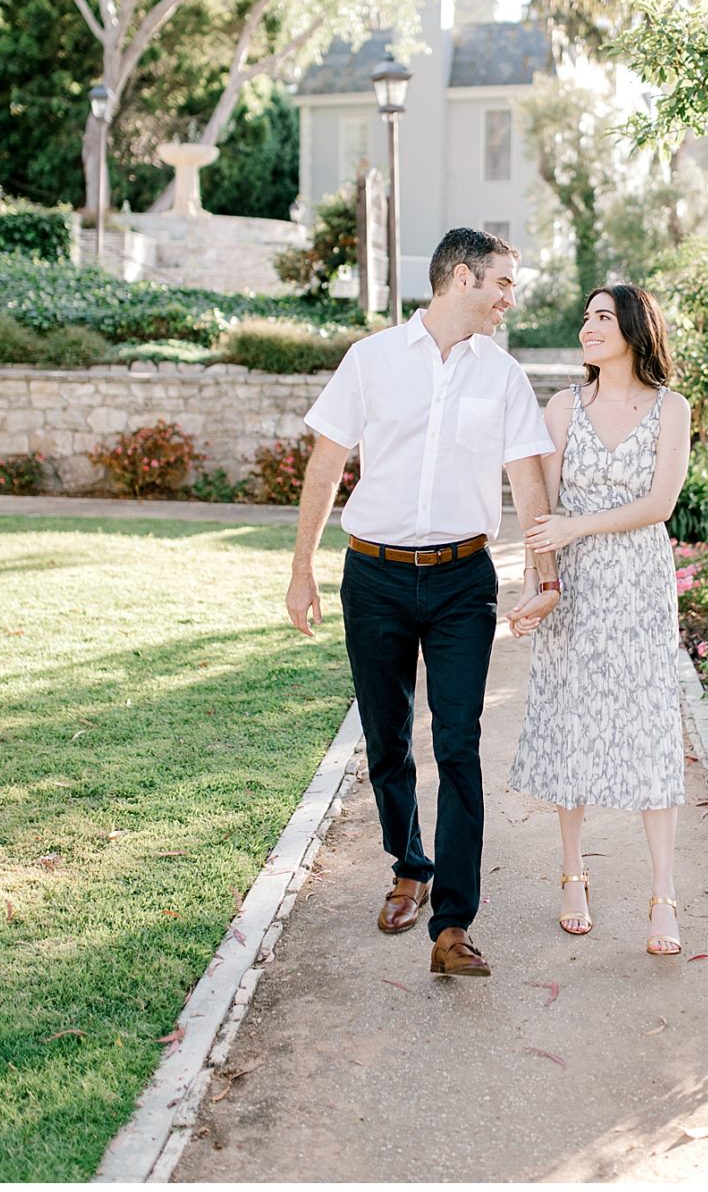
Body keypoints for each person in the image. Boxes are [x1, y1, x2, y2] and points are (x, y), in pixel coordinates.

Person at [286, 228, 561, 978]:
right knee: (386, 737)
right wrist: (302, 568)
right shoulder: (371, 360)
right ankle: (408, 865)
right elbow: (325, 462)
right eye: (503, 282)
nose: (511, 297)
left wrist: (544, 577)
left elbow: (528, 483)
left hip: (460, 579)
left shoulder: (501, 376)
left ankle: (452, 924)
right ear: (462, 277)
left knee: (460, 743)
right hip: (372, 576)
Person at [508, 284, 692, 955]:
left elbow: (659, 503)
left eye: (602, 318)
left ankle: (663, 897)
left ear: (635, 329)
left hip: (640, 585)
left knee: (649, 727)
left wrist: (576, 526)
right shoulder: (562, 407)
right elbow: (542, 512)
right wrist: (539, 588)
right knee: (572, 724)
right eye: (584, 317)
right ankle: (572, 875)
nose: (587, 327)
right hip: (576, 588)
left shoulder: (670, 409)